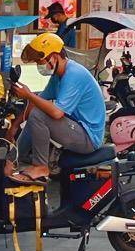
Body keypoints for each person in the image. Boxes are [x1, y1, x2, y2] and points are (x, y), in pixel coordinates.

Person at [8, 32, 108, 181]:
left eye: (40, 61)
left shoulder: (73, 75)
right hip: (77, 129)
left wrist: (28, 94)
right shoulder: (57, 76)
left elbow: (57, 113)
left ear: (54, 56)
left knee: (38, 116)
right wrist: (14, 127)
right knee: (35, 114)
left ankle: (41, 167)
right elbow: (37, 102)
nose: (39, 66)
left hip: (89, 138)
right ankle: (13, 160)